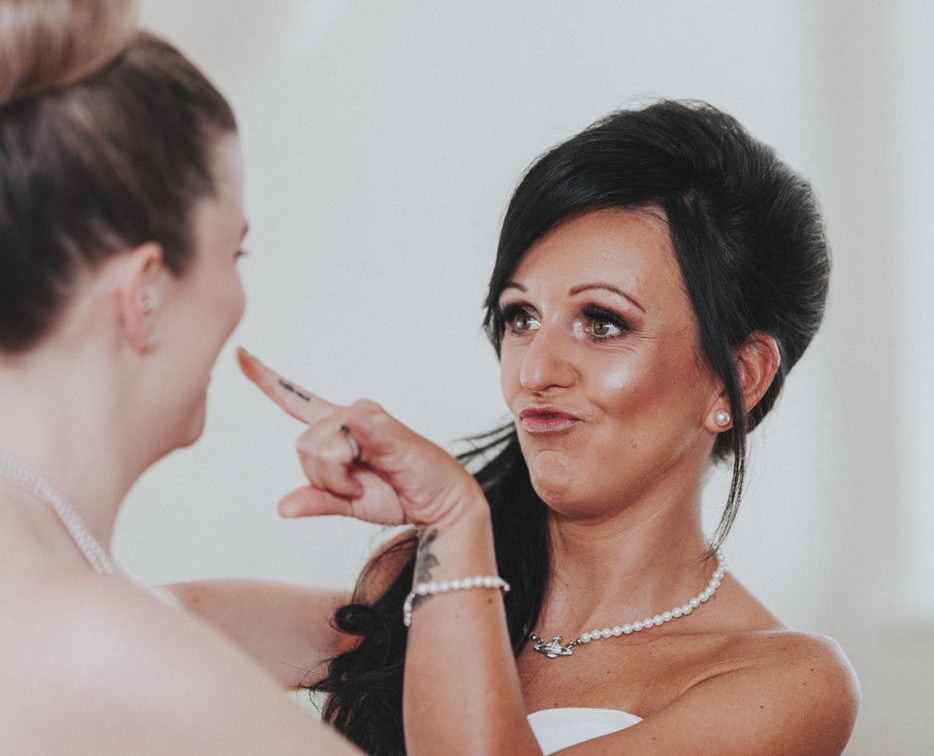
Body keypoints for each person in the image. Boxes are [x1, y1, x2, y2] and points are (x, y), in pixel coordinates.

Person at [181, 100, 859, 754]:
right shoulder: (416, 586)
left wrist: (454, 521)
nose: (535, 369)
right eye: (520, 318)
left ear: (737, 378)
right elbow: (141, 626)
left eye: (602, 322)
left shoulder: (789, 684)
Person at [0, 0, 366, 752]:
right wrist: (457, 526)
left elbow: (183, 618)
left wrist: (444, 561)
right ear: (147, 292)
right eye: (236, 253)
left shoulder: (54, 564)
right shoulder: (86, 638)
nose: (238, 298)